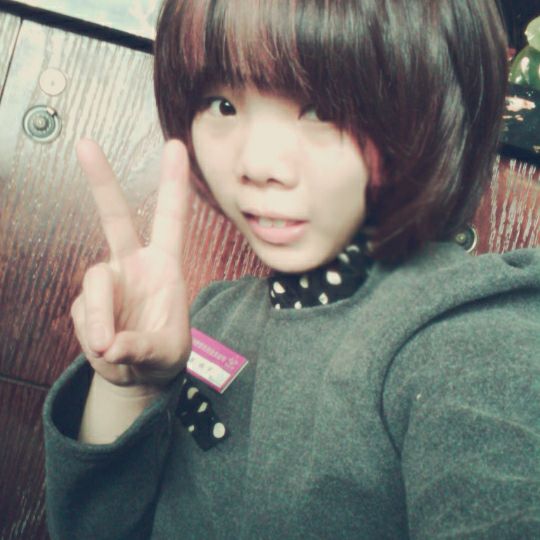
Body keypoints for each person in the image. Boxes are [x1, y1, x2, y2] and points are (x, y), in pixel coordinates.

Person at [43, 0, 540, 538]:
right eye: (222, 105)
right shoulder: (215, 313)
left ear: (436, 110)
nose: (256, 165)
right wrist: (128, 389)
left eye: (321, 110)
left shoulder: (468, 332)